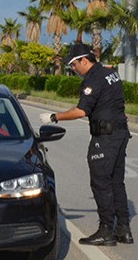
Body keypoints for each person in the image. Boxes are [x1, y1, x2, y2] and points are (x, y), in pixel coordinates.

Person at [39, 43, 133, 246]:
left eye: (74, 65)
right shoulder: (111, 73)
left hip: (106, 138)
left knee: (101, 182)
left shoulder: (93, 79)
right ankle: (123, 229)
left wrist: (55, 117)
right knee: (117, 182)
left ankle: (106, 229)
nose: (73, 69)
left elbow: (82, 111)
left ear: (84, 60)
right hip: (120, 133)